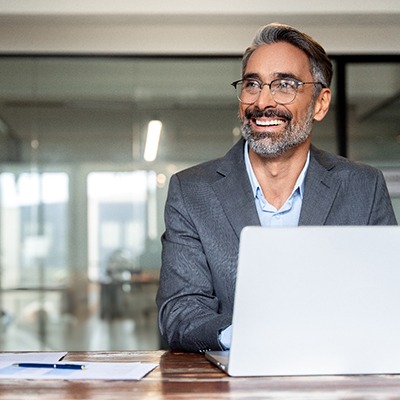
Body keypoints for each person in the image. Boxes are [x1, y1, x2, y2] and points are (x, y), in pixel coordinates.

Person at [156, 23, 397, 353]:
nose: (263, 101)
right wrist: (247, 338)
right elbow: (179, 312)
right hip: (230, 381)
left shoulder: (362, 187)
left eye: (284, 85)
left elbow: (387, 298)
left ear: (320, 103)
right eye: (252, 84)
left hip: (334, 377)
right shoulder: (192, 191)